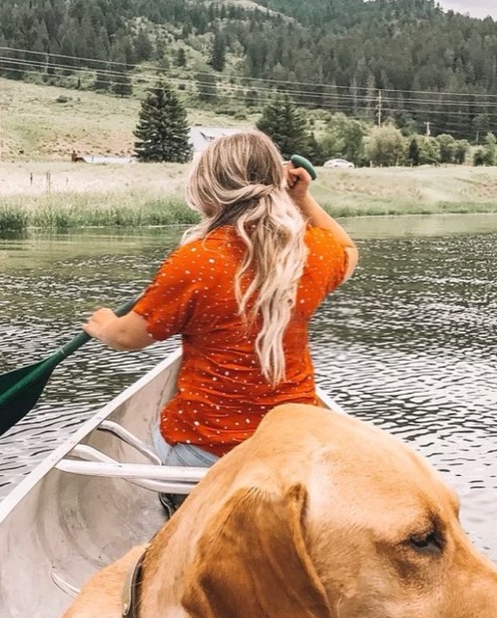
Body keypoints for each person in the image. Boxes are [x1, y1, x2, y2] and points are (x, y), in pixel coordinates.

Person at [82, 130, 358, 500]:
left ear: (210, 190)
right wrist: (302, 199)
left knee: (163, 429)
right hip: (293, 443)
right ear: (274, 184)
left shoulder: (196, 261)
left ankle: (176, 503)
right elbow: (348, 248)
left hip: (208, 450)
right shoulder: (310, 252)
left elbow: (127, 338)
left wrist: (104, 325)